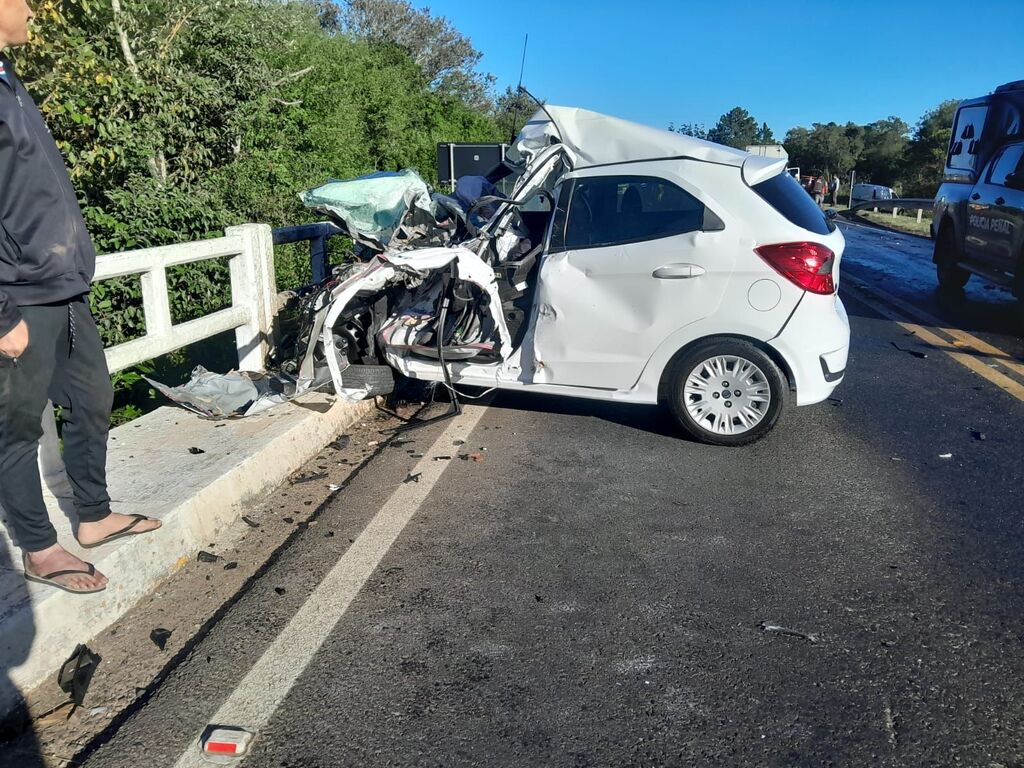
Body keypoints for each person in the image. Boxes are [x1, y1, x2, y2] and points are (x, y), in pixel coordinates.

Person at [1, 0, 160, 594]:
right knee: (15, 430)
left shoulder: (6, 76)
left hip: (62, 287)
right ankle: (40, 550)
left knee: (93, 397)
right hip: (17, 293)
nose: (31, 9)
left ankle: (92, 516)